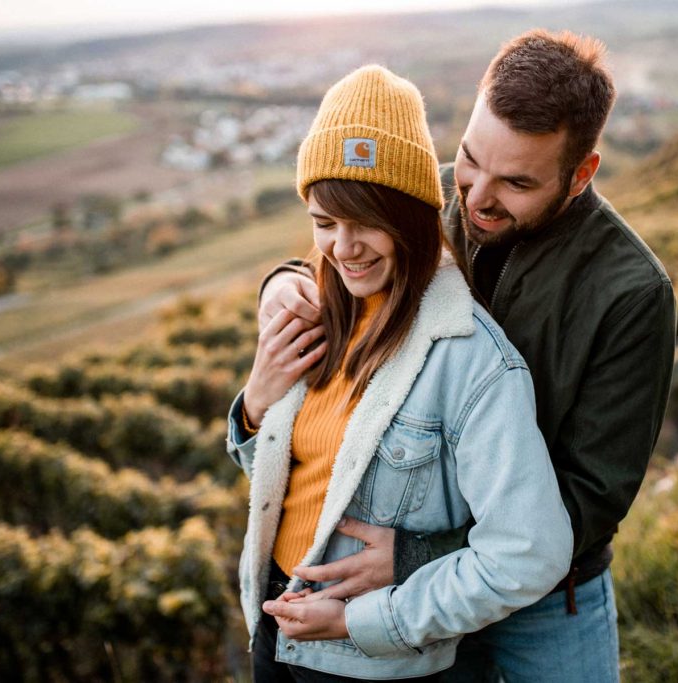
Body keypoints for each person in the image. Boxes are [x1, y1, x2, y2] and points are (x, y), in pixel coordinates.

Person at [257, 30, 677, 682]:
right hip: (405, 588)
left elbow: (591, 495)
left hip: (545, 597)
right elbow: (348, 252)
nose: (476, 195)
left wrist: (422, 554)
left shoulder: (631, 291)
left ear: (581, 174)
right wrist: (282, 282)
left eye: (515, 181)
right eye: (470, 157)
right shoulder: (436, 196)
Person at [226, 64, 572, 681]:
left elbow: (530, 554)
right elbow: (293, 478)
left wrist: (370, 621)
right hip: (276, 633)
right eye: (324, 222)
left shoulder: (470, 361)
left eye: (367, 222)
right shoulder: (316, 314)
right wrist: (254, 406)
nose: (344, 247)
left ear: (413, 217)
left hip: (375, 662)